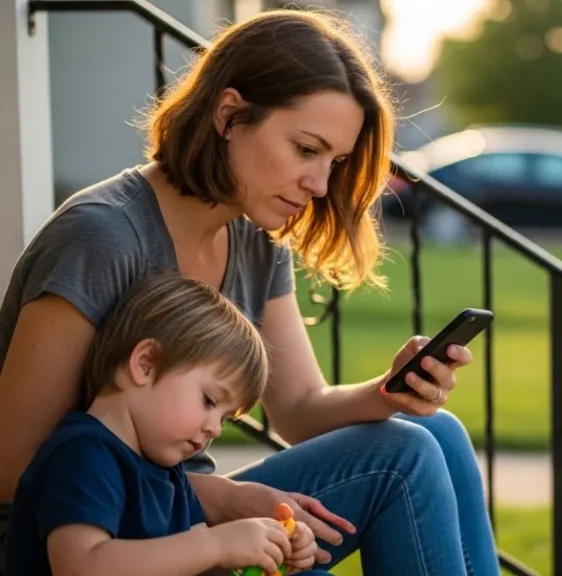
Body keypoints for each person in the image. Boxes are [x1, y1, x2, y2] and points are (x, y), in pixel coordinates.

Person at [0, 9, 498, 576]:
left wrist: (391, 391)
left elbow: (299, 409)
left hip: (180, 518)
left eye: (334, 162)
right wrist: (219, 502)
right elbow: (16, 467)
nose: (319, 185)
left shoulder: (254, 239)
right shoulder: (103, 237)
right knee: (401, 458)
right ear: (230, 114)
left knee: (435, 429)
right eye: (305, 150)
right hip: (91, 539)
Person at [5, 271, 332, 576]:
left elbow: (195, 562)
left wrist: (270, 546)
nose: (215, 429)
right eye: (209, 401)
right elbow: (82, 565)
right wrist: (217, 545)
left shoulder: (166, 472)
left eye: (224, 418)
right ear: (145, 364)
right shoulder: (82, 455)